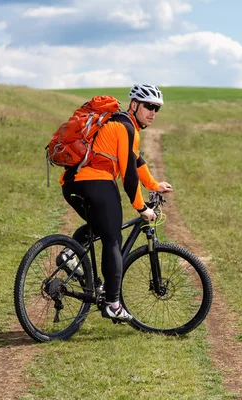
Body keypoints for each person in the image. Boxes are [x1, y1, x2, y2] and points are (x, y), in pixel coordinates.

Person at [59, 83, 173, 322]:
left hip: (70, 183)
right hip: (96, 183)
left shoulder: (117, 123)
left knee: (100, 226)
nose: (153, 112)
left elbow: (136, 160)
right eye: (149, 106)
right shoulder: (126, 127)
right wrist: (141, 208)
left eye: (157, 108)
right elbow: (129, 176)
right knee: (113, 238)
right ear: (134, 104)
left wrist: (154, 185)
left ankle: (69, 254)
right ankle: (113, 303)